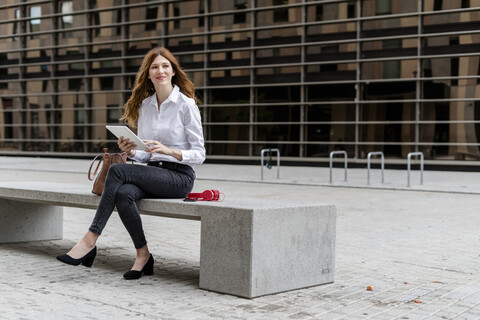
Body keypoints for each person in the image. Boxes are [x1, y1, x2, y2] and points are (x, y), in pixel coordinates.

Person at [56, 47, 206, 280]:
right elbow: (147, 154)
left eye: (165, 66)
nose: (160, 70)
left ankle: (89, 240)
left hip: (180, 177)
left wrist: (170, 150)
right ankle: (143, 254)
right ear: (148, 74)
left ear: (174, 71)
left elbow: (200, 153)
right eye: (154, 67)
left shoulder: (186, 104)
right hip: (154, 173)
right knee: (124, 193)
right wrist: (133, 151)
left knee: (117, 170)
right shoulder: (146, 106)